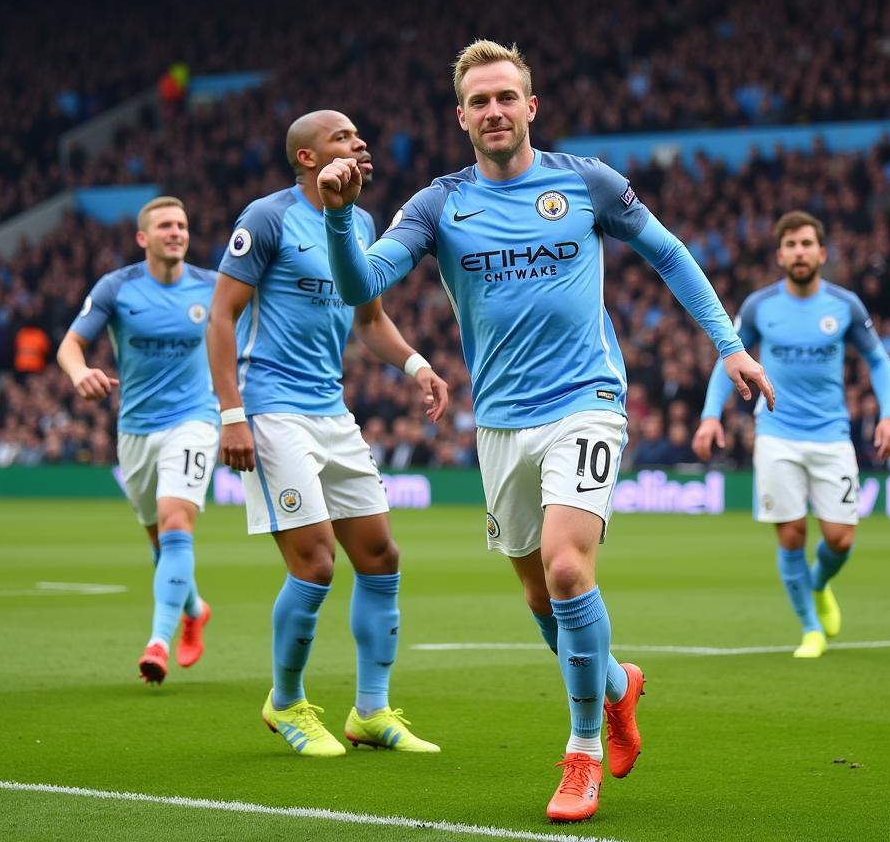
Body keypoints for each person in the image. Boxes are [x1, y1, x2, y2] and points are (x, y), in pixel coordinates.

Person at [317, 41, 773, 823]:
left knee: (566, 569)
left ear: (532, 106)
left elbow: (668, 253)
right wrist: (335, 218)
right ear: (460, 117)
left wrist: (728, 344)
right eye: (479, 101)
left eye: (506, 97)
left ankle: (583, 752)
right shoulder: (436, 205)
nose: (494, 111)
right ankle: (617, 687)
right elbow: (363, 285)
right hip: (499, 421)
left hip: (587, 401)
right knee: (536, 589)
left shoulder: (585, 182)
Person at [207, 109, 448, 759]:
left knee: (380, 557)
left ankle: (370, 712)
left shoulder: (360, 222)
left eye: (359, 134)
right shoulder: (267, 217)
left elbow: (368, 317)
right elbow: (222, 318)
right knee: (315, 564)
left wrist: (417, 364)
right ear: (307, 159)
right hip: (271, 408)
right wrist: (231, 414)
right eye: (342, 137)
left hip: (331, 412)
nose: (360, 141)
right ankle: (284, 702)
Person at [693, 210, 890, 658]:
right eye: (791, 245)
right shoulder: (758, 306)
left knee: (840, 539)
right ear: (779, 254)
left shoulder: (844, 306)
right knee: (791, 535)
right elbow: (728, 357)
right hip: (777, 433)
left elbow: (879, 360)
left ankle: (819, 585)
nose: (799, 252)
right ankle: (810, 629)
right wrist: (711, 415)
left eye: (807, 244)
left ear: (822, 253)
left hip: (832, 434)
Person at [57, 196, 217, 685]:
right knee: (159, 541)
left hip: (195, 419)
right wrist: (80, 372)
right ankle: (194, 608)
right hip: (135, 430)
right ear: (143, 238)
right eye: (165, 225)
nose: (176, 232)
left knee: (174, 524)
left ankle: (157, 643)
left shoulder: (212, 288)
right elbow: (71, 344)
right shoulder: (118, 287)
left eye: (183, 225)